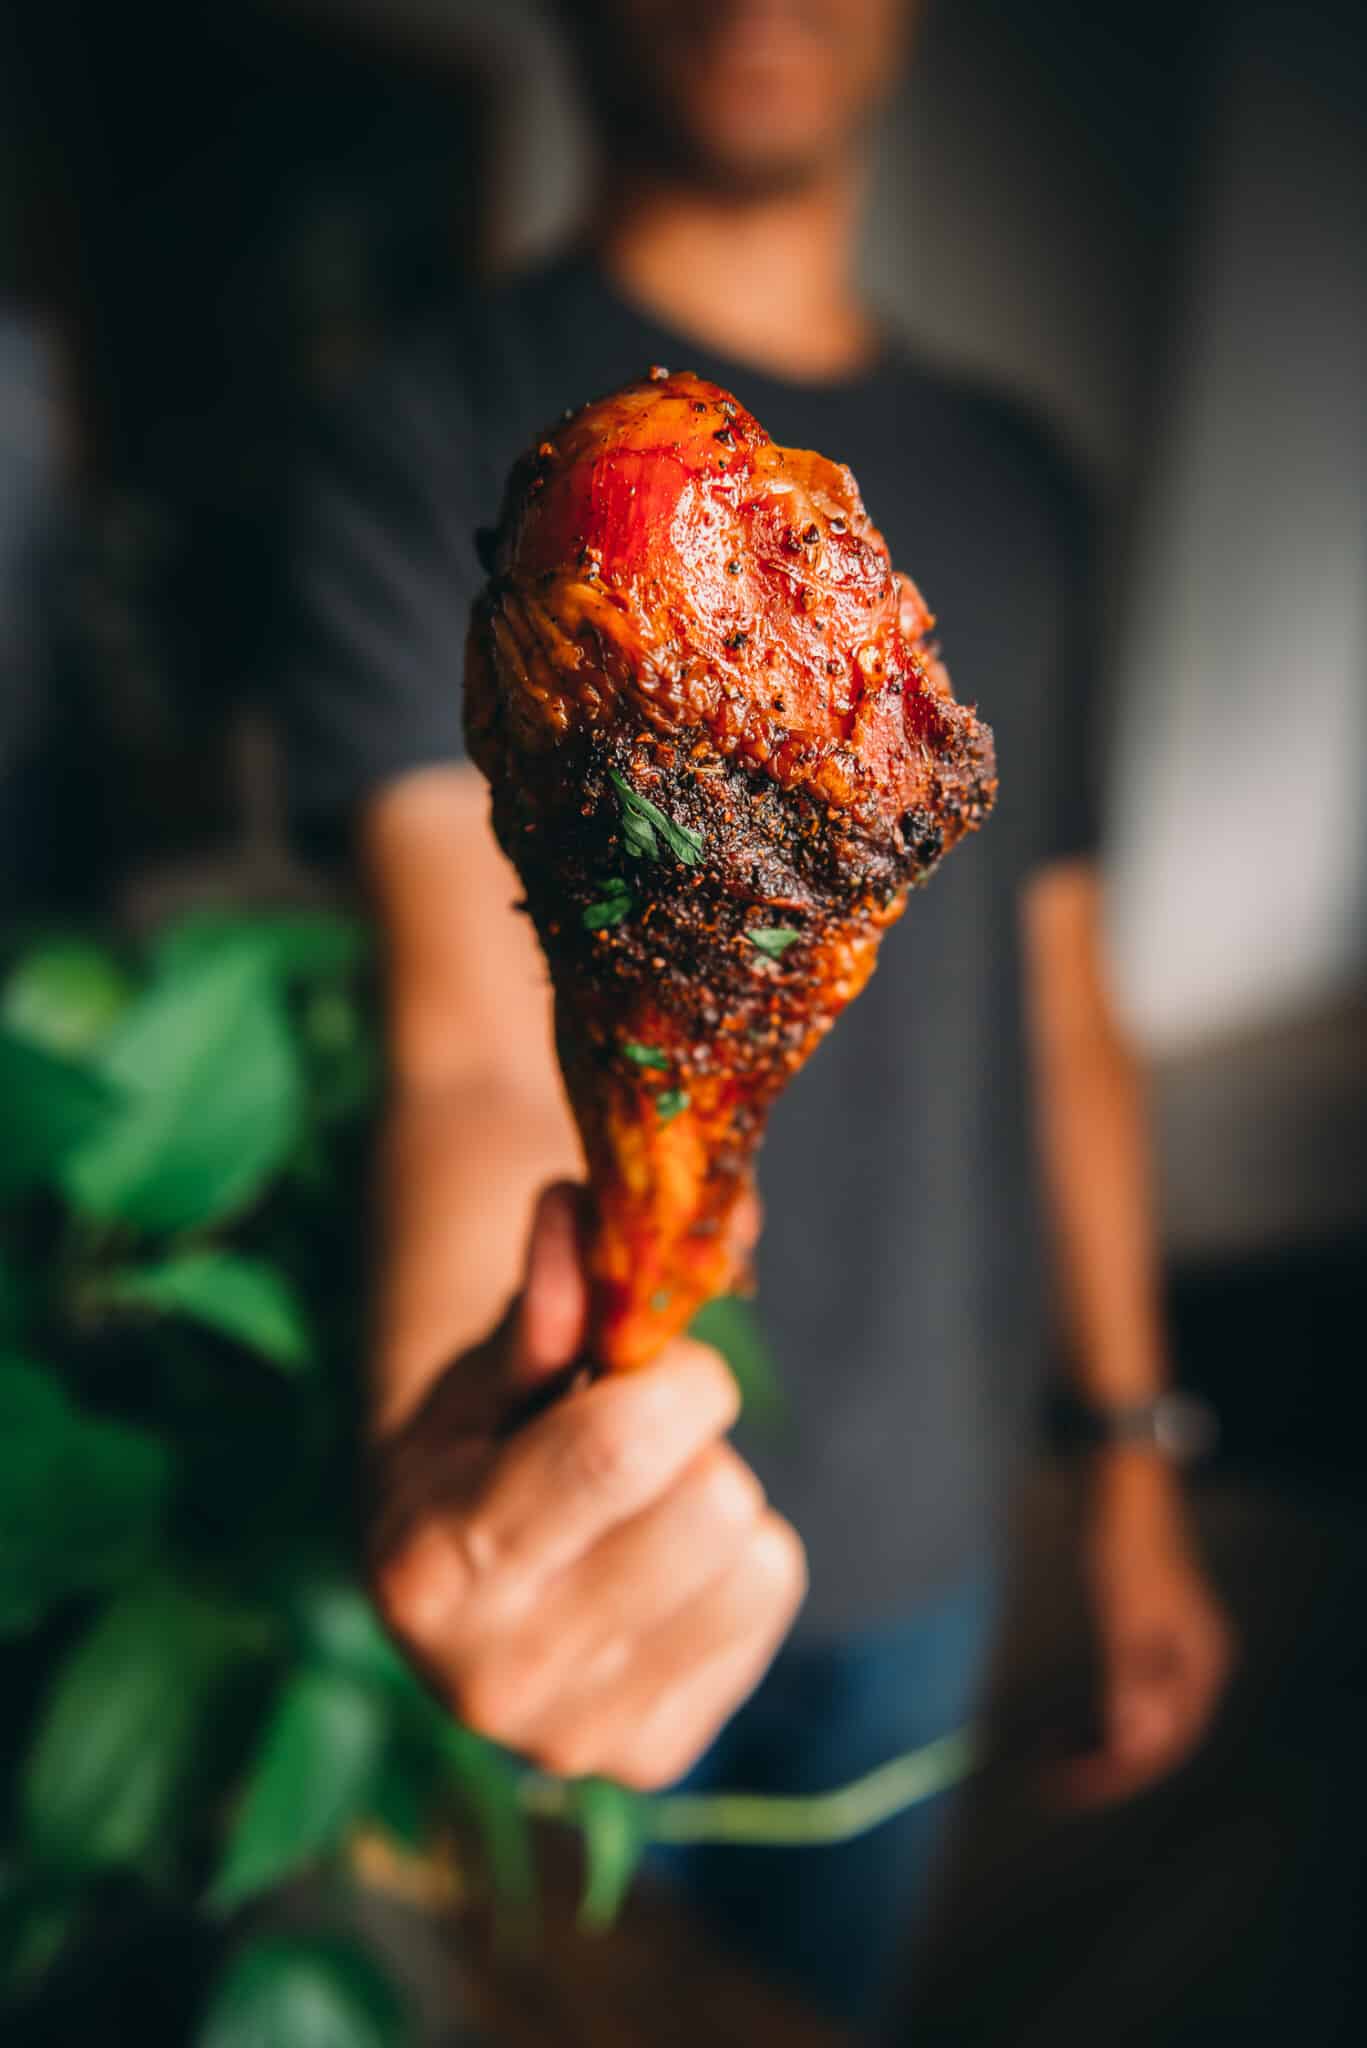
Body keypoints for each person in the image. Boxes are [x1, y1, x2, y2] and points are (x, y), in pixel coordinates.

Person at [281, 0, 1233, 2024]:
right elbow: (465, 1045)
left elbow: (1067, 1013)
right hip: (576, 1502)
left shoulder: (1024, 486)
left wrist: (1134, 1458)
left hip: (932, 1499)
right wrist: (457, 1466)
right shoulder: (412, 426)